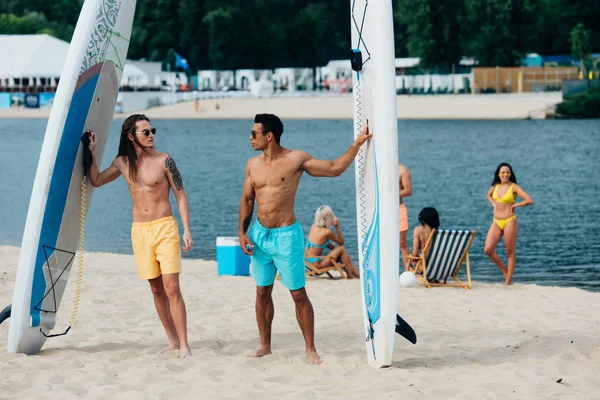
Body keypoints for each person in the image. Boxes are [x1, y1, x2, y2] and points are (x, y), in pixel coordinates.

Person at [238, 113, 372, 365]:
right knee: (261, 292)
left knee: (298, 294)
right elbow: (247, 199)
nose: (250, 137)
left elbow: (334, 169)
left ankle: (310, 348)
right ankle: (265, 345)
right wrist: (242, 232)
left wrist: (356, 144)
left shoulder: (295, 159)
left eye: (254, 133)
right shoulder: (251, 164)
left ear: (269, 136)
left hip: (286, 235)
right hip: (259, 235)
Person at [87, 114, 193, 359]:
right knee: (156, 290)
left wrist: (186, 229)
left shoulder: (165, 160)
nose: (151, 134)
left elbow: (181, 195)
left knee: (172, 288)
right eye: (145, 131)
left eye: (152, 130)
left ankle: (185, 345)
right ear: (131, 136)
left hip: (165, 227)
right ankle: (172, 341)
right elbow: (96, 180)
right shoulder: (123, 162)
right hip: (140, 231)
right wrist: (91, 152)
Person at [484, 162, 533, 285]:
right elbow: (488, 195)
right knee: (488, 250)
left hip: (509, 221)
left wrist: (516, 204)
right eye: (503, 172)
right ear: (499, 174)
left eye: (508, 172)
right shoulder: (496, 186)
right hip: (496, 221)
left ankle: (508, 280)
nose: (505, 174)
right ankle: (505, 271)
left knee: (509, 251)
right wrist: (494, 204)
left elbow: (529, 200)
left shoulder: (514, 187)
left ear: (510, 174)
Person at [305, 206, 360, 279]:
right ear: (328, 218)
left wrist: (344, 255)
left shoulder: (314, 226)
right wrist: (337, 226)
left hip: (308, 265)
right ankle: (351, 276)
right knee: (341, 248)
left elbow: (321, 244)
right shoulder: (327, 232)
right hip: (317, 267)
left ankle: (358, 275)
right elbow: (341, 243)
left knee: (342, 252)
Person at [398, 163, 413, 266]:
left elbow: (408, 190)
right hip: (382, 209)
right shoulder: (379, 168)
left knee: (402, 242)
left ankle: (408, 269)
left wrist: (391, 194)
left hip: (398, 208)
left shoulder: (402, 170)